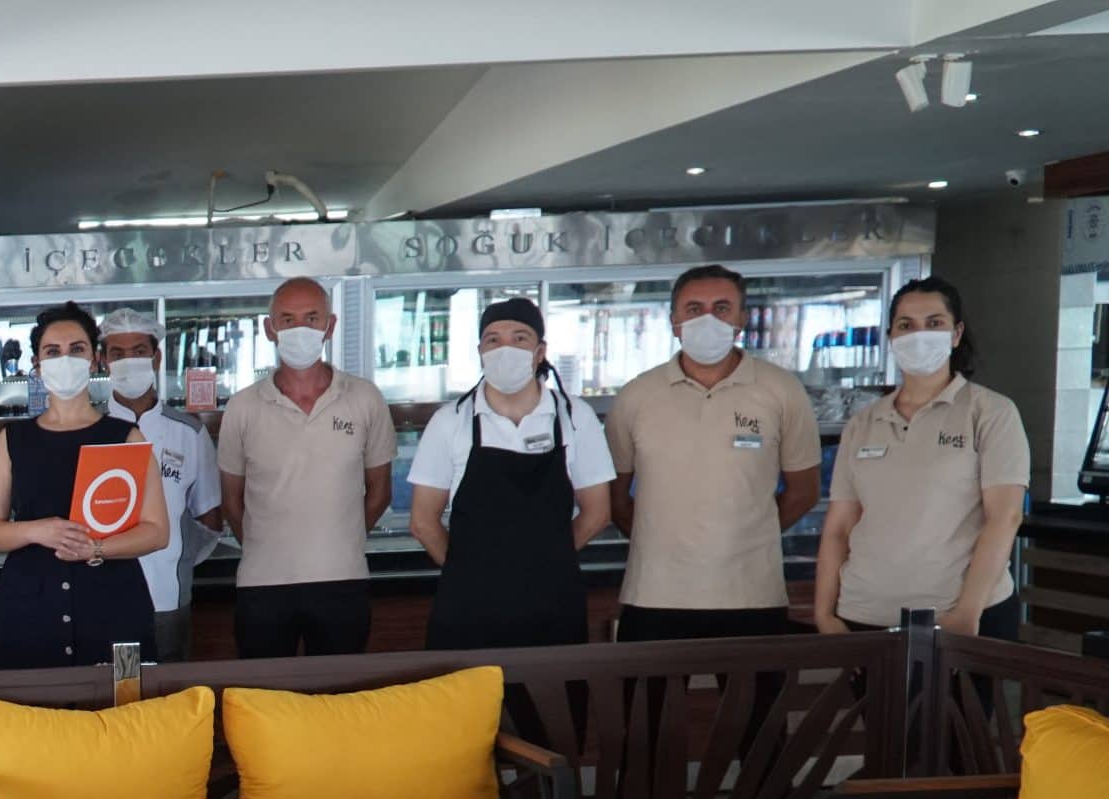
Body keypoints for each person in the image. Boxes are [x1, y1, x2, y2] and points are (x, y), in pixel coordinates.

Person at [607, 264, 823, 642]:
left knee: (755, 685)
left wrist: (744, 536)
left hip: (752, 594)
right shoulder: (636, 396)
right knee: (647, 685)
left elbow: (804, 491)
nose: (707, 319)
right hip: (654, 593)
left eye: (722, 308)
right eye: (694, 309)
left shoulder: (782, 390)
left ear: (742, 319)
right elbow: (614, 496)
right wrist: (660, 540)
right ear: (674, 322)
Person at [814, 276, 1028, 640]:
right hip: (863, 614)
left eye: (934, 323)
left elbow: (1004, 517)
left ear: (956, 334)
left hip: (958, 617)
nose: (919, 335)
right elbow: (838, 528)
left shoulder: (990, 412)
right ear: (891, 337)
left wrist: (967, 613)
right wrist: (824, 613)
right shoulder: (863, 423)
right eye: (906, 325)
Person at [408, 298, 615, 651]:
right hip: (469, 607)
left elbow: (597, 512)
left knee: (553, 687)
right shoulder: (451, 421)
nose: (506, 348)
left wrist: (547, 563)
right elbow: (423, 521)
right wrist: (470, 573)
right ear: (480, 351)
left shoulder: (574, 417)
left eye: (520, 338)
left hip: (554, 601)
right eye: (494, 339)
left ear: (540, 351)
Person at [0, 303, 168, 669]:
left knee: (123, 699)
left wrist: (95, 548)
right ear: (37, 365)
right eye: (53, 352)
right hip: (30, 606)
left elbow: (157, 532)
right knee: (30, 702)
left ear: (95, 360)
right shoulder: (12, 439)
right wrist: (37, 531)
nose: (65, 359)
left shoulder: (126, 436)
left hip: (114, 601)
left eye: (76, 349)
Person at [216, 278, 396, 658]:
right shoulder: (243, 407)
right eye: (287, 319)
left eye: (311, 318)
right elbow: (231, 500)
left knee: (339, 690)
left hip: (343, 578)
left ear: (330, 326)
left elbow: (380, 491)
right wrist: (264, 547)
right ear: (270, 329)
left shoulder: (365, 398)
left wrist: (342, 538)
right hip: (262, 584)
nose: (300, 329)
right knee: (261, 691)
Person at [101, 308, 223, 661]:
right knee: (109, 686)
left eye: (139, 351)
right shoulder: (89, 430)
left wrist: (176, 560)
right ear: (103, 361)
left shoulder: (189, 432)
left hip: (167, 596)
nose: (129, 361)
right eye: (117, 353)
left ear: (156, 358)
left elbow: (209, 518)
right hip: (101, 597)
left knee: (167, 688)